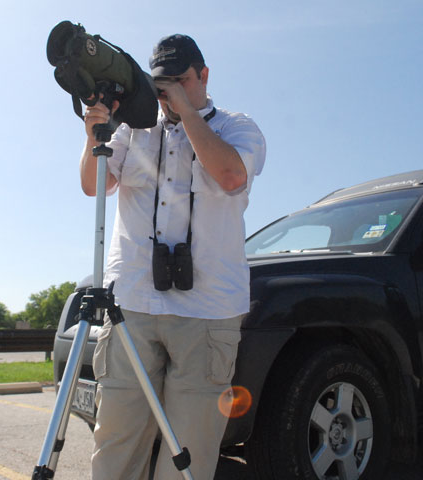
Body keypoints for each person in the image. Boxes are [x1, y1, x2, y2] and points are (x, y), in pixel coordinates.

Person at [80, 34, 266, 479]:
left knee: (190, 454)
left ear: (204, 75)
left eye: (180, 81)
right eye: (161, 85)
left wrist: (186, 112)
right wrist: (94, 134)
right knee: (116, 444)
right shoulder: (132, 130)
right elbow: (94, 185)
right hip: (133, 305)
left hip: (206, 312)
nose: (167, 94)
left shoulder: (238, 127)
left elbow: (230, 175)